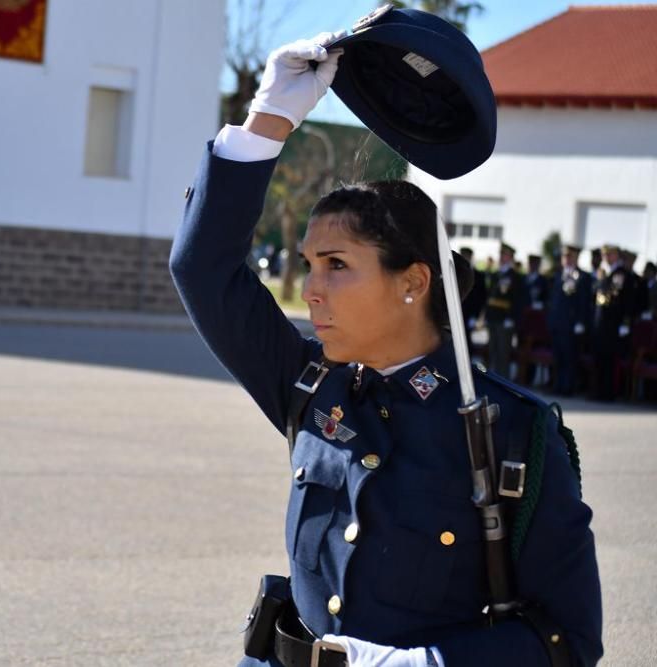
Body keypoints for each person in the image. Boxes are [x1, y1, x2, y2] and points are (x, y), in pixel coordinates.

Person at [169, 31, 602, 667]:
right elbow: (203, 266)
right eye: (308, 264)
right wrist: (270, 119)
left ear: (413, 282)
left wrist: (423, 665)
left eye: (337, 265)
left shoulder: (509, 431)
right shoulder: (310, 386)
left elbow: (567, 639)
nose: (311, 291)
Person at [547, 245, 592, 396]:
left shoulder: (583, 277)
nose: (566, 259)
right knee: (558, 357)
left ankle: (568, 387)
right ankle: (558, 385)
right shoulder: (558, 274)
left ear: (575, 258)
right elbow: (553, 300)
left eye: (569, 257)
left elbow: (584, 301)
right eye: (564, 257)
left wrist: (580, 321)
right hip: (557, 323)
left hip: (571, 324)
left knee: (569, 358)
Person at [592, 245, 633, 401]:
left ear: (617, 256)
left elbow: (628, 301)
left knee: (610, 360)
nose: (606, 258)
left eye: (610, 254)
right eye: (604, 255)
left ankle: (608, 393)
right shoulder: (603, 273)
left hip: (614, 323)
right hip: (600, 322)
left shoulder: (623, 274)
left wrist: (625, 322)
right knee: (599, 358)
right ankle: (598, 391)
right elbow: (595, 295)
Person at [484, 242, 525, 378]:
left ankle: (502, 380)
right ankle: (491, 379)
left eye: (505, 255)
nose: (501, 257)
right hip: (493, 317)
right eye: (501, 254)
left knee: (503, 353)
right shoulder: (496, 274)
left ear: (511, 257)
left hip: (505, 318)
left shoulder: (515, 276)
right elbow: (490, 296)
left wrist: (511, 318)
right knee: (492, 350)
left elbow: (518, 300)